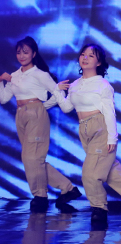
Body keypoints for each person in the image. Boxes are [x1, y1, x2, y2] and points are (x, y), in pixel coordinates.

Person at [55, 43, 121, 225]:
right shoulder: (74, 85)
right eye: (83, 54)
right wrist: (58, 92)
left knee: (90, 174)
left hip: (101, 129)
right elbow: (67, 107)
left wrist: (112, 137)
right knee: (111, 173)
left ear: (99, 62)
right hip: (84, 130)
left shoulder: (103, 85)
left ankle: (99, 208)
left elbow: (109, 113)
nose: (85, 58)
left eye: (91, 55)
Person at [0, 36, 80, 212]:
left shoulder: (40, 74)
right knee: (33, 159)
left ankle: (40, 196)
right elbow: (4, 99)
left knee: (31, 158)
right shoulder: (14, 75)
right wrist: (2, 81)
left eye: (25, 52)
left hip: (36, 114)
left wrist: (52, 105)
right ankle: (68, 188)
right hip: (20, 115)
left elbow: (56, 91)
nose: (22, 56)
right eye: (19, 52)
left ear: (34, 54)